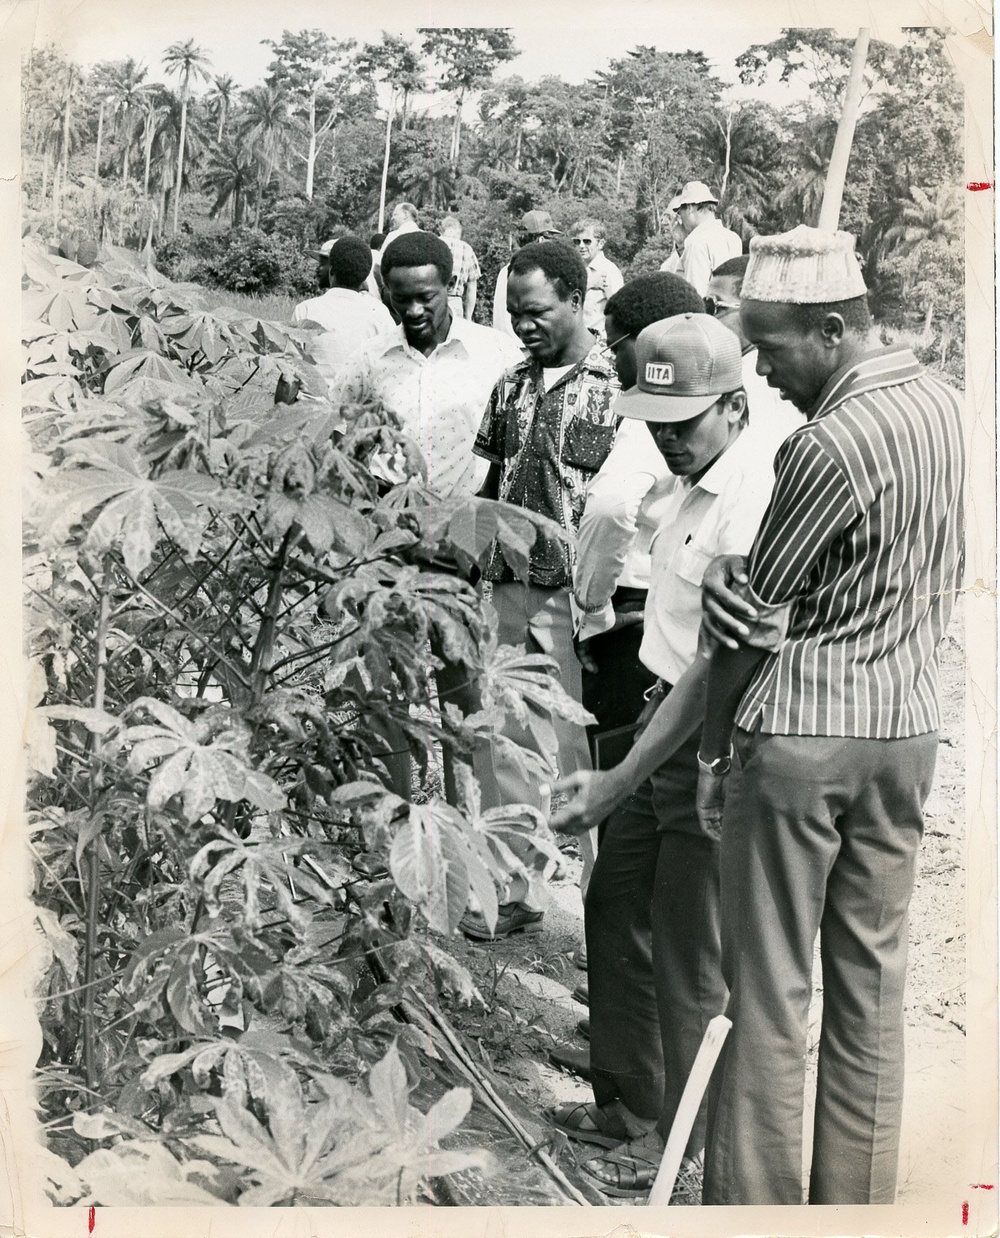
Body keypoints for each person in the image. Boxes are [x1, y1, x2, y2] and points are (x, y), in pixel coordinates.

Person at [693, 225, 966, 1205]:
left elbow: (752, 618)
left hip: (804, 738)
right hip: (905, 731)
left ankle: (754, 1216)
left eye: (771, 349)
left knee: (767, 1000)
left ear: (835, 325)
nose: (763, 375)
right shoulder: (947, 405)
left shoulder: (826, 444)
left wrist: (716, 755)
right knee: (869, 996)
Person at [546, 314, 799, 1196]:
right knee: (614, 904)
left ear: (733, 406)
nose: (667, 439)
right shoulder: (689, 476)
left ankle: (680, 1148)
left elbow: (723, 659)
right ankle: (627, 1099)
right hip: (655, 721)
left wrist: (696, 766)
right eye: (654, 421)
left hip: (705, 740)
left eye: (683, 423)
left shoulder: (755, 490)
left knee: (690, 956)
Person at [331, 232, 524, 809]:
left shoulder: (496, 356)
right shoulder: (370, 362)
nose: (414, 310)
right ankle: (388, 819)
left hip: (464, 545)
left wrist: (482, 535)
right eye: (400, 298)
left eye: (426, 297)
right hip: (385, 544)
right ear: (384, 294)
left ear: (451, 289)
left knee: (462, 688)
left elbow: (513, 449)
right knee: (382, 679)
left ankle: (469, 822)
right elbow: (338, 436)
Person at [469, 241, 619, 938]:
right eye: (512, 314)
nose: (523, 325)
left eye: (535, 311)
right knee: (503, 747)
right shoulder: (508, 385)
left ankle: (603, 919)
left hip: (572, 598)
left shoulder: (615, 388)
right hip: (504, 585)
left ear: (575, 299)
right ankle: (513, 890)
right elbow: (491, 481)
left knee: (579, 753)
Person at [572, 273, 707, 769]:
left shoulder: (653, 413)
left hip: (630, 612)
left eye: (616, 346)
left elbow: (610, 506)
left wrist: (592, 613)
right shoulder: (726, 402)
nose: (610, 358)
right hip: (689, 607)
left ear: (649, 342)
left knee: (619, 771)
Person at [292, 236, 395, 392]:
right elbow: (391, 373)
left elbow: (290, 373)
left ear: (332, 270)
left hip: (311, 411)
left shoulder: (305, 310)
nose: (318, 267)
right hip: (357, 411)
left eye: (323, 262)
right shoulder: (380, 314)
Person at [492, 209, 562, 337]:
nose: (552, 242)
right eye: (550, 237)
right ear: (540, 239)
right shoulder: (536, 273)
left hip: (505, 343)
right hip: (525, 345)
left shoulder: (507, 270)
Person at [671, 181, 741, 297]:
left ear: (689, 208)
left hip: (708, 312)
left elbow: (696, 293)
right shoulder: (733, 238)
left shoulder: (696, 242)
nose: (680, 219)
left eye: (680, 212)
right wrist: (681, 244)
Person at [570, 218, 624, 339]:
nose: (581, 246)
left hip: (599, 342)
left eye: (587, 241)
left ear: (600, 243)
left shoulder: (609, 271)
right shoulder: (577, 270)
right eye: (577, 242)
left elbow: (618, 311)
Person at [438, 215, 481, 320]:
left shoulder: (433, 244)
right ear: (458, 232)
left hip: (434, 300)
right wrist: (468, 317)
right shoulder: (467, 249)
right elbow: (472, 287)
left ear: (442, 231)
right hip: (455, 303)